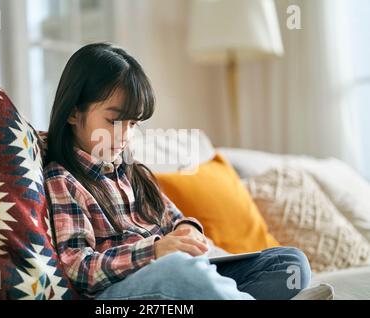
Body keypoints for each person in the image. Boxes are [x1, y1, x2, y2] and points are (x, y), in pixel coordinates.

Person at [43, 42, 312, 300]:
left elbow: (177, 219)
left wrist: (188, 231)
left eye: (133, 124)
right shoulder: (63, 179)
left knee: (289, 264)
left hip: (183, 274)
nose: (124, 135)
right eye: (114, 121)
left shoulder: (135, 174)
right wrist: (155, 251)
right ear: (74, 113)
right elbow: (77, 268)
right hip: (128, 287)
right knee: (180, 272)